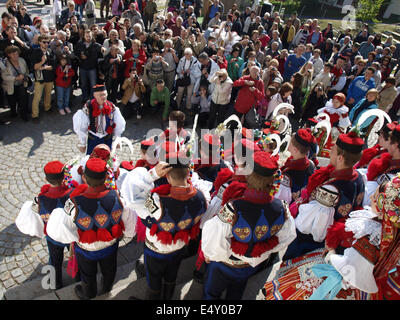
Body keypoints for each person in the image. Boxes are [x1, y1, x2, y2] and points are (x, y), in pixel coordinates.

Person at [201, 150, 296, 300]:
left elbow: (214, 242)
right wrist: (258, 254)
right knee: (236, 294)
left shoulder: (233, 208)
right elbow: (285, 238)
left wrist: (211, 256)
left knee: (211, 294)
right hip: (249, 267)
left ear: (247, 175)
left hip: (224, 265)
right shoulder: (283, 208)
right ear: (273, 179)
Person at [120, 150, 208, 300]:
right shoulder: (202, 197)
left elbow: (131, 197)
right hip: (180, 245)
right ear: (189, 174)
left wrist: (152, 175)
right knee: (172, 274)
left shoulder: (157, 201)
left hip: (156, 249)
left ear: (166, 176)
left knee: (154, 279)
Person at [46, 157, 136, 299]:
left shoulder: (73, 203)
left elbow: (67, 228)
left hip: (86, 249)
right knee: (109, 270)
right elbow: (130, 223)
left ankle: (88, 294)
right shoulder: (118, 197)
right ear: (106, 177)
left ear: (84, 178)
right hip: (110, 246)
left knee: (87, 275)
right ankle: (106, 289)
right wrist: (126, 234)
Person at [286, 130, 365, 260]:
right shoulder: (359, 178)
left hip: (311, 241)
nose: (329, 152)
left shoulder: (331, 189)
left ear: (340, 158)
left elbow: (309, 224)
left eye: (332, 150)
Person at [15, 161, 78, 290]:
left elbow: (42, 215)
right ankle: (79, 279)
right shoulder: (73, 193)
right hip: (70, 234)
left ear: (46, 178)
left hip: (53, 236)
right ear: (63, 176)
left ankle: (55, 284)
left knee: (54, 260)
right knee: (75, 258)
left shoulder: (42, 197)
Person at [72, 84, 126, 155]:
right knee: (92, 161)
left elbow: (119, 123)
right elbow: (81, 126)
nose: (103, 97)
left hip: (107, 139)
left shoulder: (112, 107)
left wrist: (117, 138)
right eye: (100, 95)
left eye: (104, 94)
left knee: (106, 161)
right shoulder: (88, 107)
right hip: (93, 139)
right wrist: (82, 143)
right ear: (94, 95)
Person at [275, 129, 317, 205]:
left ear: (295, 150)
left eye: (290, 144)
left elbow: (280, 200)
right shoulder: (311, 164)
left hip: (289, 207)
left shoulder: (288, 174)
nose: (288, 147)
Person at [31, 35, 57, 123]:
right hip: (40, 79)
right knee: (37, 97)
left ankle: (47, 108)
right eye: (44, 42)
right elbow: (35, 67)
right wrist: (42, 62)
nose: (46, 44)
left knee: (48, 95)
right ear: (39, 42)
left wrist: (43, 67)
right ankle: (35, 115)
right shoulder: (36, 52)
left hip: (49, 78)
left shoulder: (50, 51)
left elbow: (53, 65)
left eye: (48, 42)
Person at [1, 45, 30, 122]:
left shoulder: (22, 60)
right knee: (12, 101)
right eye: (13, 54)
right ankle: (13, 112)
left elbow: (26, 70)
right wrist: (16, 78)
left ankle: (24, 115)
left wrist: (24, 76)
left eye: (16, 53)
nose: (15, 55)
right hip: (11, 86)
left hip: (21, 84)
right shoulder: (5, 63)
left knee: (23, 100)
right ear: (9, 54)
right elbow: (4, 76)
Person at [75, 30, 104, 102]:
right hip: (83, 67)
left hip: (92, 68)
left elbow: (101, 48)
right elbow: (76, 52)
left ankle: (92, 99)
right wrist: (81, 56)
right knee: (83, 84)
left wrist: (103, 49)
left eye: (90, 36)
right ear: (84, 36)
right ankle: (84, 98)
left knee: (93, 84)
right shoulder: (80, 44)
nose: (88, 38)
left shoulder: (95, 44)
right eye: (87, 36)